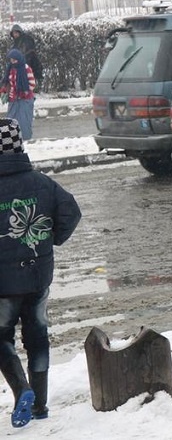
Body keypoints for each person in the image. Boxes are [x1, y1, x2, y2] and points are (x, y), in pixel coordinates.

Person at [0, 118, 81, 428]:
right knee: (37, 336)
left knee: (1, 336)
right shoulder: (43, 183)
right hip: (37, 275)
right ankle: (41, 406)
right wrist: (49, 240)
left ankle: (22, 391)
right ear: (20, 145)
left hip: (3, 285)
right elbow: (71, 212)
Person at [1, 50, 36, 141]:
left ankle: (25, 139)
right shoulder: (10, 68)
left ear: (19, 59)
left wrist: (23, 92)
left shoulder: (26, 68)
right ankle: (12, 139)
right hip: (13, 99)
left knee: (24, 121)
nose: (12, 62)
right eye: (11, 60)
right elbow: (7, 82)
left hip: (25, 99)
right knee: (11, 120)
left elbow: (32, 84)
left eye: (14, 60)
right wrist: (4, 90)